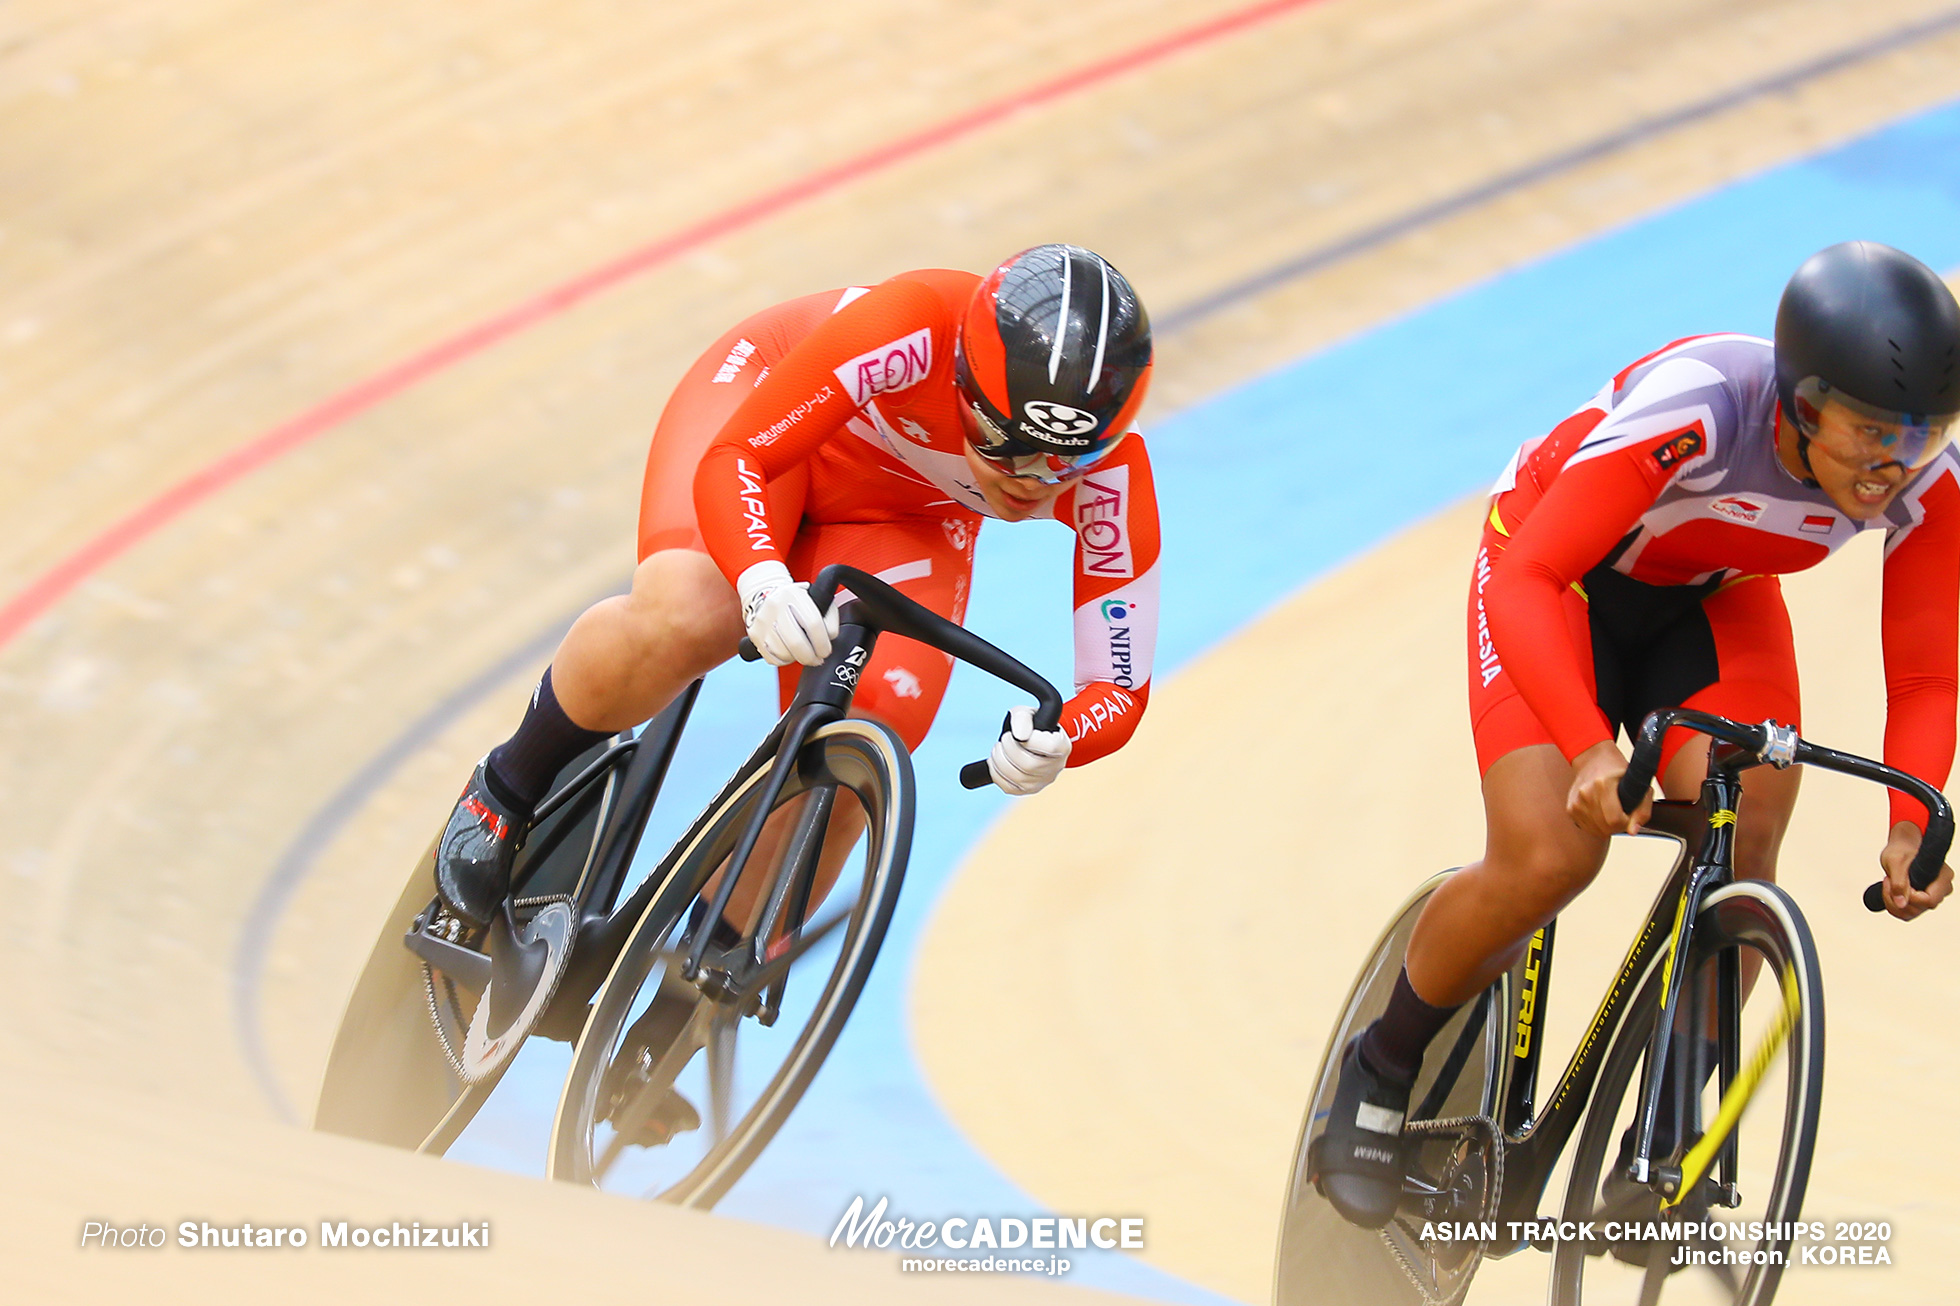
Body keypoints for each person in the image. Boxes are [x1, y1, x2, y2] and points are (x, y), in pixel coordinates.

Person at [1312, 240, 1960, 1229]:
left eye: (1921, 432)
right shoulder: (1700, 404)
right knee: (1549, 854)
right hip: (1552, 576)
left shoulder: (1924, 477)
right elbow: (1532, 578)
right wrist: (1587, 746)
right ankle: (1380, 1066)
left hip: (1707, 593)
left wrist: (1910, 817)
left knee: (1745, 836)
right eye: (1871, 429)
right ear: (1799, 402)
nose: (1894, 461)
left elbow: (1925, 671)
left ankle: (1659, 1137)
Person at [429, 243, 1161, 945]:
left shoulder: (1111, 475)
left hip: (905, 517)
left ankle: (686, 999)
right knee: (694, 613)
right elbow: (737, 457)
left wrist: (1065, 738)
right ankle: (506, 788)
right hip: (770, 427)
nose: (1029, 478)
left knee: (867, 743)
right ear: (962, 381)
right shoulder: (913, 326)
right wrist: (756, 580)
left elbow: (1118, 687)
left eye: (1068, 458)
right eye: (1001, 440)